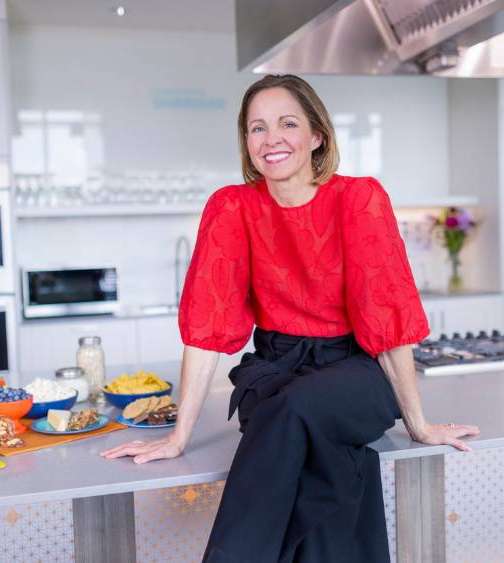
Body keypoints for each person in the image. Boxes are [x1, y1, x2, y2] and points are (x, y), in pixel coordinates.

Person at [101, 74, 480, 562]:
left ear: (317, 134)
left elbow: (386, 320)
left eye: (287, 123)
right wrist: (179, 435)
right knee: (312, 439)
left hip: (356, 373)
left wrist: (420, 424)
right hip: (274, 369)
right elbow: (207, 328)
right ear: (246, 142)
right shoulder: (231, 207)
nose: (271, 138)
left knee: (293, 409)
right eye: (257, 128)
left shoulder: (358, 198)